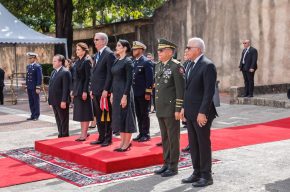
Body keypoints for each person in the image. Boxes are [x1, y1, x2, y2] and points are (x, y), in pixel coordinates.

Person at [180, 37, 218, 187]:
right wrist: (184, 107)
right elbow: (187, 89)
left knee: (203, 144)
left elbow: (209, 92)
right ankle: (196, 172)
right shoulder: (190, 64)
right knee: (193, 144)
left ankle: (206, 176)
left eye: (189, 48)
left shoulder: (207, 65)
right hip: (190, 111)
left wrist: (202, 112)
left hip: (202, 113)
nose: (187, 50)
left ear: (198, 50)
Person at [153, 39, 185, 177]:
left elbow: (180, 90)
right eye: (158, 50)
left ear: (171, 52)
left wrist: (178, 109)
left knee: (173, 138)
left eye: (162, 50)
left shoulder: (176, 67)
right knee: (164, 138)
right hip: (161, 107)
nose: (158, 52)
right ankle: (166, 163)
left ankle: (173, 166)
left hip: (171, 108)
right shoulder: (158, 66)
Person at [89, 32, 116, 147]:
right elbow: (94, 74)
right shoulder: (97, 54)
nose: (94, 42)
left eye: (97, 40)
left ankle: (108, 138)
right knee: (99, 115)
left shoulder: (109, 54)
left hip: (104, 91)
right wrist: (91, 89)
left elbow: (110, 74)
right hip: (96, 90)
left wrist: (107, 89)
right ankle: (101, 136)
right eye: (94, 40)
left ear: (104, 41)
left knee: (106, 115)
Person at [110, 39, 137, 152]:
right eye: (117, 46)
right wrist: (111, 93)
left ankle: (127, 143)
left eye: (119, 46)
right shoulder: (116, 61)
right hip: (116, 92)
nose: (117, 47)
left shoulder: (128, 61)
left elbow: (129, 80)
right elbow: (113, 79)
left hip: (124, 92)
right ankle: (122, 142)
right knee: (118, 116)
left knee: (127, 116)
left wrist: (125, 95)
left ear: (125, 48)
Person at [71, 42, 94, 141]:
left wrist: (85, 91)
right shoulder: (77, 61)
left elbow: (88, 78)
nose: (77, 51)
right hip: (77, 90)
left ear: (84, 51)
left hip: (83, 90)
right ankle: (83, 132)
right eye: (76, 50)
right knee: (80, 113)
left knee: (85, 113)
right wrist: (73, 90)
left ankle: (84, 134)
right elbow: (74, 78)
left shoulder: (87, 61)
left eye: (79, 49)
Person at [132, 41, 154, 142]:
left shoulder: (146, 62)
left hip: (143, 93)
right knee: (138, 113)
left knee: (144, 113)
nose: (133, 51)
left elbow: (149, 79)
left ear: (141, 50)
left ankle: (146, 134)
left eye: (135, 49)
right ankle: (141, 133)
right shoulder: (134, 62)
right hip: (135, 93)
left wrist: (148, 93)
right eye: (133, 49)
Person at [48, 54, 72, 138]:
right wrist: (49, 100)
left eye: (55, 61)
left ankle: (65, 135)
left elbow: (66, 88)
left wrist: (64, 101)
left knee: (63, 119)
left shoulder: (65, 72)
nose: (53, 62)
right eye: (53, 61)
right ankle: (60, 134)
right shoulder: (53, 72)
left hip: (62, 100)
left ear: (60, 62)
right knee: (58, 119)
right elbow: (51, 87)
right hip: (54, 100)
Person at [25, 52, 42, 121]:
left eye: (31, 58)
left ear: (35, 58)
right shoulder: (28, 66)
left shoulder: (37, 66)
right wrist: (26, 86)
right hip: (29, 87)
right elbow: (27, 77)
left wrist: (38, 87)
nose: (29, 59)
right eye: (29, 58)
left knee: (36, 101)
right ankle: (32, 114)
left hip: (35, 87)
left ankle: (36, 115)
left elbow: (39, 77)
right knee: (31, 101)